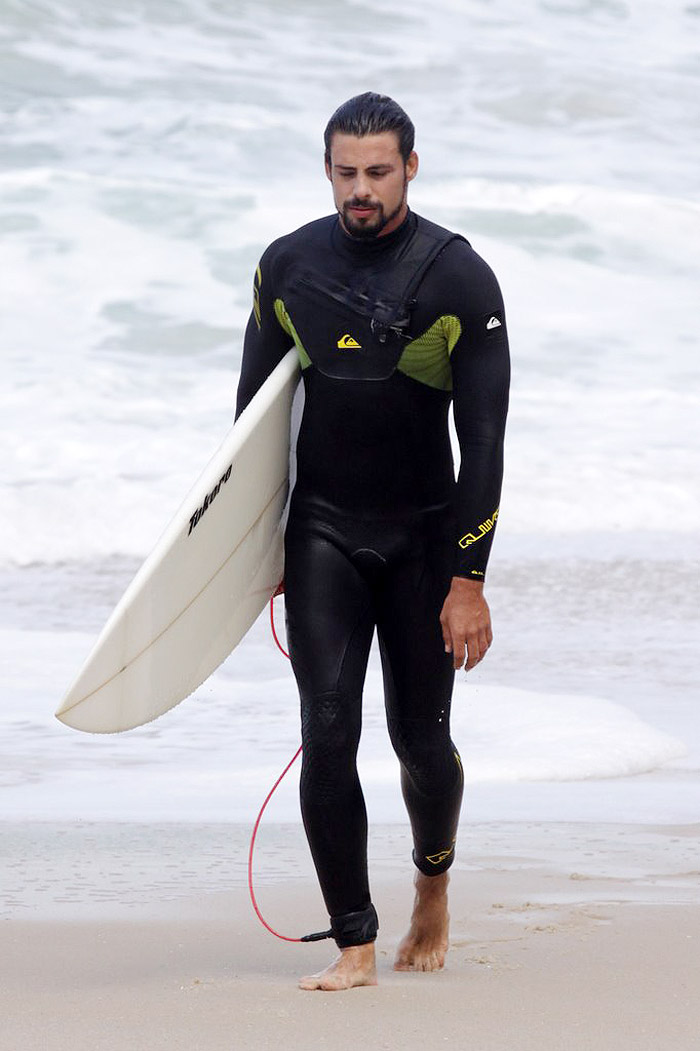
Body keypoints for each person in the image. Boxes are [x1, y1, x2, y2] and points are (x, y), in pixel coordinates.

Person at [235, 92, 510, 991]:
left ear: (411, 168)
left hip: (427, 537)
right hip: (321, 528)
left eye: (379, 172)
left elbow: (485, 442)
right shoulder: (286, 267)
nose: (361, 189)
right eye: (346, 172)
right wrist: (252, 549)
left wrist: (467, 579)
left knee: (420, 742)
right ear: (326, 168)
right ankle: (354, 939)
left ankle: (433, 885)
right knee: (325, 731)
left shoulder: (457, 279)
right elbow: (251, 425)